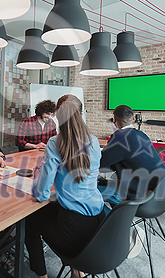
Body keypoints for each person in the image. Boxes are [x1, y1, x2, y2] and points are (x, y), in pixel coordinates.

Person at [25, 94, 106, 278]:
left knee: (30, 220)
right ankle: (77, 270)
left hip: (72, 229)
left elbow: (42, 194)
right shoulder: (93, 141)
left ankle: (41, 275)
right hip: (99, 224)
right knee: (54, 210)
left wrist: (39, 178)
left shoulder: (54, 143)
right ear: (81, 114)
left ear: (58, 118)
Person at [99, 105, 165, 205]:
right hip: (155, 194)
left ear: (114, 120)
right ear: (134, 119)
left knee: (89, 190)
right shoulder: (141, 134)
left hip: (136, 195)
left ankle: (111, 219)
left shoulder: (120, 138)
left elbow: (102, 164)